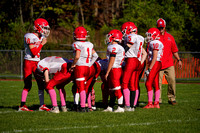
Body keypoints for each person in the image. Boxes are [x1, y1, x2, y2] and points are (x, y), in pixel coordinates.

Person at [18, 18, 50, 112]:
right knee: (28, 84)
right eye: (44, 27)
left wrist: (41, 41)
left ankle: (42, 105)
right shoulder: (29, 36)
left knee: (41, 83)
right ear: (37, 27)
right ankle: (22, 105)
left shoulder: (40, 37)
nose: (45, 30)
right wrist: (42, 44)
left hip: (37, 62)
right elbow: (34, 52)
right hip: (29, 61)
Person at [70, 26, 98, 112]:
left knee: (80, 87)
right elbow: (96, 56)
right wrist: (89, 64)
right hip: (87, 68)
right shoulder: (89, 44)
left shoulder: (76, 44)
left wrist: (73, 65)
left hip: (80, 68)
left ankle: (82, 106)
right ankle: (85, 105)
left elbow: (77, 56)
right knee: (85, 87)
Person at [157, 18, 182, 105]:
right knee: (158, 83)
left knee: (172, 81)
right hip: (158, 64)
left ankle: (172, 98)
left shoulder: (170, 37)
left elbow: (174, 50)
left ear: (165, 27)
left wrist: (179, 60)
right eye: (159, 28)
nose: (160, 29)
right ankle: (158, 100)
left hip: (169, 64)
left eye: (162, 27)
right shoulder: (155, 37)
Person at [121, 22, 145, 111]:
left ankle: (127, 105)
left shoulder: (131, 36)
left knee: (124, 83)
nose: (123, 33)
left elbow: (128, 46)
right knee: (133, 84)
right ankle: (132, 106)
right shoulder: (140, 37)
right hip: (137, 61)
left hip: (131, 60)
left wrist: (120, 53)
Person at [104, 29, 125, 112]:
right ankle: (110, 106)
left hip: (115, 69)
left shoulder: (113, 47)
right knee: (112, 88)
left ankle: (120, 107)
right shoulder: (119, 47)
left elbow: (112, 60)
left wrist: (107, 72)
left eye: (109, 36)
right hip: (117, 68)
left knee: (116, 88)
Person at [143, 28, 164, 109]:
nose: (148, 37)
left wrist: (149, 69)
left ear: (155, 35)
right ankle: (156, 103)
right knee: (155, 83)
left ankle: (150, 103)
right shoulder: (157, 42)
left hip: (155, 63)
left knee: (148, 83)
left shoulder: (154, 42)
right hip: (158, 63)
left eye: (149, 35)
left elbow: (155, 57)